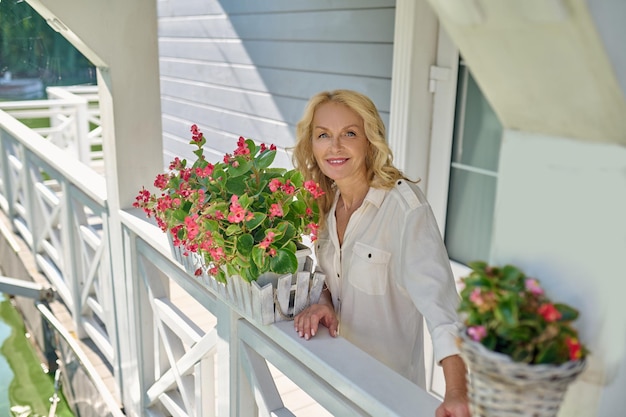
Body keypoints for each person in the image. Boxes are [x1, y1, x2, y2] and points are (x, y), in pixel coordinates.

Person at [292, 90, 469, 417]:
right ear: (311, 145)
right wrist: (324, 303)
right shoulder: (327, 203)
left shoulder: (404, 208)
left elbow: (443, 310)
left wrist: (456, 393)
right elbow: (334, 275)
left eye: (349, 133)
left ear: (370, 140)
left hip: (391, 397)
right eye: (323, 135)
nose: (335, 147)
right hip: (338, 379)